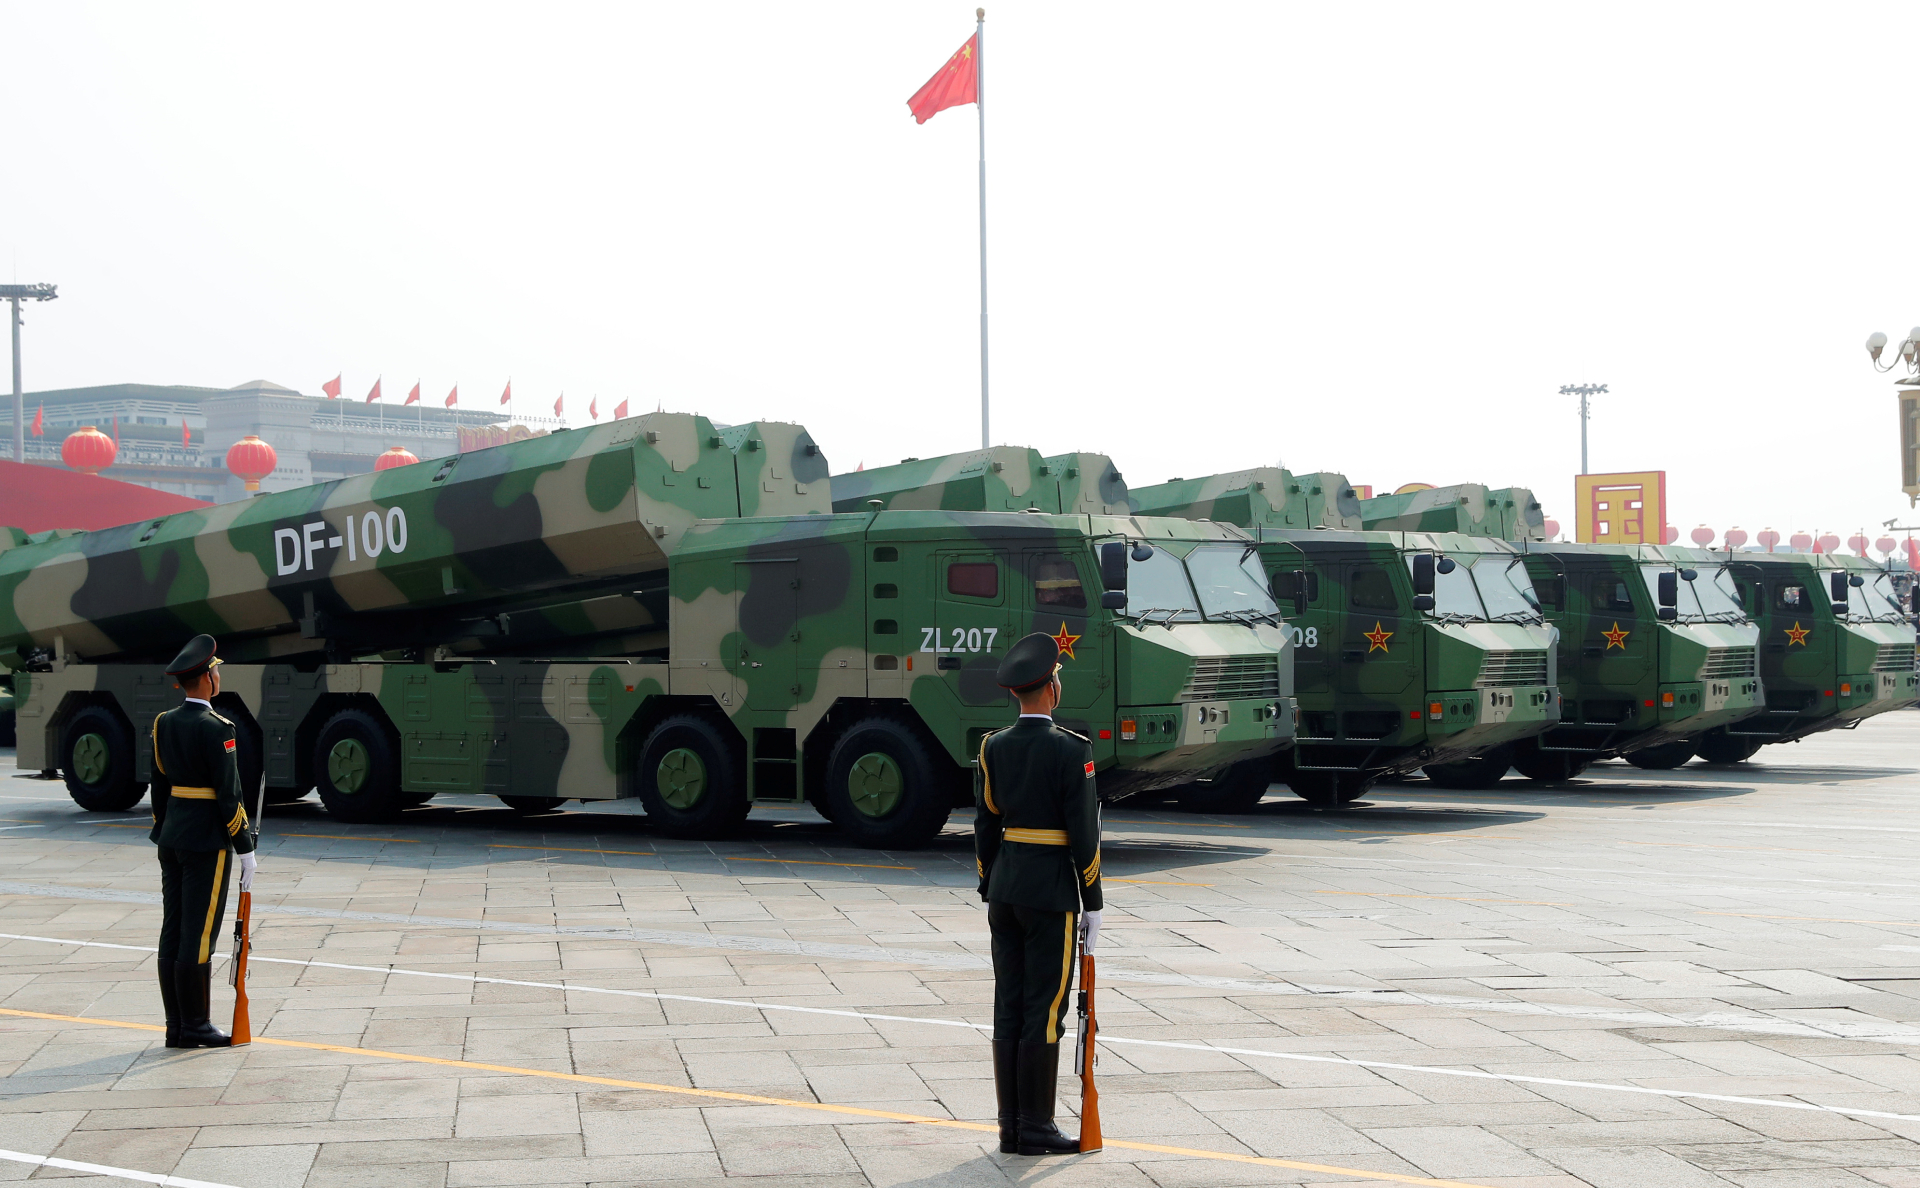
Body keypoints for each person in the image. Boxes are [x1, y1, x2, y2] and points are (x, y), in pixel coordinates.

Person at [974, 632, 1103, 1157]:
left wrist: (990, 882)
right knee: (1045, 1010)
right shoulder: (1073, 751)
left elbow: (985, 825)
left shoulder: (993, 746)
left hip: (1004, 890)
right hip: (1051, 893)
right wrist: (1091, 900)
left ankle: (1011, 1125)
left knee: (1009, 1003)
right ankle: (1036, 1127)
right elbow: (1083, 833)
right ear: (1052, 688)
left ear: (1016, 694)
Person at [148, 634, 256, 1049]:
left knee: (173, 928)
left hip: (171, 838)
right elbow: (229, 795)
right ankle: (195, 1025)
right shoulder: (218, 728)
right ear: (208, 679)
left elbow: (159, 787)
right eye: (216, 670)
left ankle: (176, 1024)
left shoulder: (164, 723)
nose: (218, 675)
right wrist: (244, 848)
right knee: (200, 933)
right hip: (206, 842)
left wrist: (164, 828)